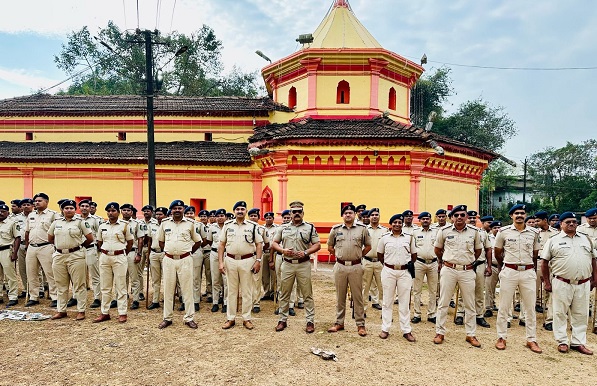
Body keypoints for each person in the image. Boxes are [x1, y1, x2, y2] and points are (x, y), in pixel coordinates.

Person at [541, 211, 597, 355]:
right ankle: (562, 341)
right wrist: (547, 282)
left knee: (581, 314)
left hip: (583, 283)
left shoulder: (586, 239)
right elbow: (544, 262)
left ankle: (578, 342)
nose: (572, 224)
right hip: (562, 282)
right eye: (568, 222)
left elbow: (593, 259)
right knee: (560, 313)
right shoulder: (553, 240)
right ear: (561, 224)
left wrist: (594, 278)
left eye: (574, 221)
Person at [493, 204, 542, 353]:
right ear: (511, 216)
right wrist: (505, 266)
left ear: (526, 215)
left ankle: (531, 339)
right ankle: (501, 337)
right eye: (516, 213)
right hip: (509, 271)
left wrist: (531, 268)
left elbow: (535, 254)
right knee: (504, 306)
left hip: (527, 272)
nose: (519, 215)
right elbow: (497, 252)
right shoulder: (503, 232)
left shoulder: (533, 233)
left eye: (522, 213)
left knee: (530, 307)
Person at [433, 204, 483, 347]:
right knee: (443, 302)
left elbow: (477, 251)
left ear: (467, 217)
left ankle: (471, 334)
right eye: (456, 215)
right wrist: (446, 260)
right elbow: (437, 249)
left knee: (469, 304)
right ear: (452, 218)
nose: (460, 217)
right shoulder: (444, 231)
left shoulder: (474, 232)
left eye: (462, 215)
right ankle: (440, 332)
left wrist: (469, 262)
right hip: (449, 269)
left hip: (467, 270)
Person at [272, 201, 321, 333]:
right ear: (291, 213)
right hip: (287, 264)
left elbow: (317, 245)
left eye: (299, 211)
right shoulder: (283, 228)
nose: (297, 213)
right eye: (294, 211)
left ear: (303, 213)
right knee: (284, 293)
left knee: (307, 294)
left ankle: (310, 321)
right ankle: (282, 320)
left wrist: (306, 252)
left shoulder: (310, 227)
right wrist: (282, 251)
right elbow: (274, 243)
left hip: (303, 264)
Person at [156, 200, 202, 329]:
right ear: (171, 210)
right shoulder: (165, 224)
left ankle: (189, 318)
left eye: (180, 208)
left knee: (187, 289)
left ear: (183, 210)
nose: (177, 210)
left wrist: (187, 252)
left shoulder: (190, 224)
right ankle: (167, 318)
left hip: (185, 260)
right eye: (175, 208)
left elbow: (198, 241)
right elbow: (161, 241)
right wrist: (169, 251)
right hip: (169, 259)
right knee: (168, 289)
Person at [327, 204, 371, 337]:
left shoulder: (362, 229)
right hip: (340, 266)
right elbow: (330, 247)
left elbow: (368, 246)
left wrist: (358, 255)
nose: (348, 215)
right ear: (342, 215)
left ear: (354, 214)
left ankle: (360, 324)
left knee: (357, 296)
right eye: (345, 213)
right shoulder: (335, 229)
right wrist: (340, 254)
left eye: (350, 213)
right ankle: (339, 322)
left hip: (356, 266)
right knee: (340, 296)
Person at [218, 201, 264, 330]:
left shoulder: (253, 226)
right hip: (230, 260)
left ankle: (246, 318)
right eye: (237, 209)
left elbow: (259, 244)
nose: (240, 211)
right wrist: (221, 262)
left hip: (247, 260)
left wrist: (258, 261)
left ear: (246, 211)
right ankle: (230, 318)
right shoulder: (227, 225)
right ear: (234, 211)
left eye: (242, 209)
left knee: (247, 291)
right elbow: (221, 245)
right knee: (231, 291)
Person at [47, 200, 94, 320]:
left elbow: (89, 238)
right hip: (59, 256)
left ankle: (81, 310)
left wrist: (78, 246)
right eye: (66, 208)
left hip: (76, 256)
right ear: (62, 210)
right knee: (61, 285)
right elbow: (50, 238)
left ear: (75, 210)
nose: (69, 210)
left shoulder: (80, 222)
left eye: (71, 208)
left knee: (79, 285)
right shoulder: (56, 222)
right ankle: (61, 310)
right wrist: (60, 247)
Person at [93, 202, 134, 324]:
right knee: (105, 286)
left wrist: (121, 253)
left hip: (119, 257)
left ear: (118, 212)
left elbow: (130, 242)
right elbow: (99, 242)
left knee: (120, 286)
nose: (111, 213)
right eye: (109, 211)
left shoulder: (124, 226)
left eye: (113, 211)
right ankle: (104, 313)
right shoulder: (102, 226)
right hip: (105, 256)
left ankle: (122, 313)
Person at [378, 213, 415, 341]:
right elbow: (380, 255)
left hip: (404, 272)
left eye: (400, 222)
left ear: (402, 224)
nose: (397, 224)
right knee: (387, 301)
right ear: (391, 224)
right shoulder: (384, 238)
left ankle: (406, 330)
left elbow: (413, 255)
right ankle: (385, 328)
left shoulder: (409, 238)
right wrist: (389, 265)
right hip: (389, 271)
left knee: (404, 303)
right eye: (395, 222)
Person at [24, 193, 59, 307]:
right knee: (31, 273)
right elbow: (27, 231)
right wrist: (27, 245)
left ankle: (55, 296)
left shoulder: (53, 215)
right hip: (32, 247)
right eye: (35, 201)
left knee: (50, 272)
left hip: (46, 246)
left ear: (46, 202)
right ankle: (34, 296)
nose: (36, 203)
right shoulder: (31, 215)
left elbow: (57, 232)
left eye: (39, 201)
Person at [534, 210, 560, 331]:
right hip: (538, 262)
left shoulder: (556, 233)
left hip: (552, 264)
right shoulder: (534, 233)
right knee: (533, 290)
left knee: (551, 291)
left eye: (538, 220)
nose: (536, 222)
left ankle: (550, 319)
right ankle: (528, 318)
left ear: (545, 220)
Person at [411, 211, 438, 324]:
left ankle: (432, 314)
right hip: (419, 263)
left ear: (431, 220)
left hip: (433, 263)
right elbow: (412, 248)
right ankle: (417, 314)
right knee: (417, 290)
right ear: (420, 221)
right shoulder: (415, 232)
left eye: (427, 219)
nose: (425, 220)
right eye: (423, 219)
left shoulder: (437, 232)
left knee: (433, 290)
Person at [78, 199, 102, 309]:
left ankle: (97, 298)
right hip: (77, 249)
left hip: (91, 248)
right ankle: (76, 297)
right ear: (79, 207)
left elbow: (100, 233)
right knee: (78, 275)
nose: (84, 208)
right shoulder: (75, 219)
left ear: (89, 208)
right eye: (82, 206)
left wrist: (98, 246)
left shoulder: (95, 220)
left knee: (95, 274)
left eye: (86, 206)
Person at [363, 208, 386, 314]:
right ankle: (362, 310)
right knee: (365, 287)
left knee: (382, 287)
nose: (375, 216)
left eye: (377, 214)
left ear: (379, 216)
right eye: (372, 215)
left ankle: (384, 310)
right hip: (366, 261)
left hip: (380, 262)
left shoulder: (385, 231)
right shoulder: (364, 229)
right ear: (369, 217)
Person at [578, 208, 597, 333]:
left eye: (594, 218)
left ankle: (596, 323)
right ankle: (580, 322)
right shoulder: (580, 229)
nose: (592, 220)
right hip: (586, 262)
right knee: (583, 292)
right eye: (589, 218)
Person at [207, 209, 228, 313]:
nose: (220, 217)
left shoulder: (228, 227)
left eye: (222, 215)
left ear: (226, 217)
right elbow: (209, 241)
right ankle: (215, 302)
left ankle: (226, 302)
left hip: (226, 254)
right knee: (215, 279)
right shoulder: (211, 228)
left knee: (226, 280)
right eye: (218, 215)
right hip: (214, 254)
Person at [0, 204, 21, 307]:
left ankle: (13, 296)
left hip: (6, 250)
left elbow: (17, 238)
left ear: (8, 213)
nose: (0, 213)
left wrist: (15, 253)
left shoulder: (12, 223)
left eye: (3, 211)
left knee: (10, 275)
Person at [147, 207, 167, 310]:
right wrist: (148, 254)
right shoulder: (152, 225)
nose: (158, 216)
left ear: (165, 215)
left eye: (161, 214)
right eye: (157, 214)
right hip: (154, 253)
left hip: (165, 253)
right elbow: (149, 240)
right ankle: (155, 300)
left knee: (167, 278)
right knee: (155, 279)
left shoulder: (168, 225)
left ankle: (167, 300)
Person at [484, 220, 502, 317]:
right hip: (492, 266)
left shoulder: (504, 237)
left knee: (505, 289)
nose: (497, 229)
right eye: (495, 228)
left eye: (499, 228)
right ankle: (488, 308)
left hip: (504, 266)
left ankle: (505, 310)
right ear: (491, 229)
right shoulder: (487, 238)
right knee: (489, 288)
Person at [262, 211, 278, 301]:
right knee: (264, 274)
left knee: (274, 274)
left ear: (273, 219)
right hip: (264, 253)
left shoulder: (277, 228)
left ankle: (273, 292)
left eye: (270, 218)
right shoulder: (261, 228)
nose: (268, 219)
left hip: (274, 253)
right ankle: (266, 292)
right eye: (267, 218)